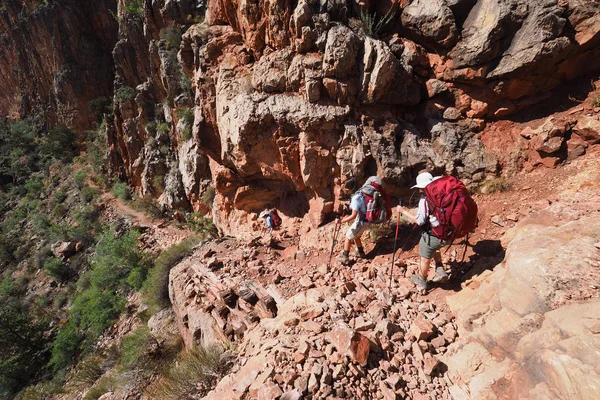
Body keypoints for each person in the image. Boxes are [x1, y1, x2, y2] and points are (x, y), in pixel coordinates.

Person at [397, 172, 449, 291]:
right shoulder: (442, 194)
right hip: (447, 232)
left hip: (433, 235)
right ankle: (440, 269)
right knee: (435, 247)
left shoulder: (424, 200)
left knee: (425, 257)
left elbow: (419, 221)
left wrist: (403, 212)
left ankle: (422, 281)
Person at [336, 176, 385, 265]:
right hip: (366, 220)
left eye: (347, 190)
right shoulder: (361, 192)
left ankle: (345, 256)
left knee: (348, 236)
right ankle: (360, 252)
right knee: (356, 235)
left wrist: (341, 221)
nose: (346, 192)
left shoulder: (355, 198)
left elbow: (353, 215)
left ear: (351, 189)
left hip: (362, 222)